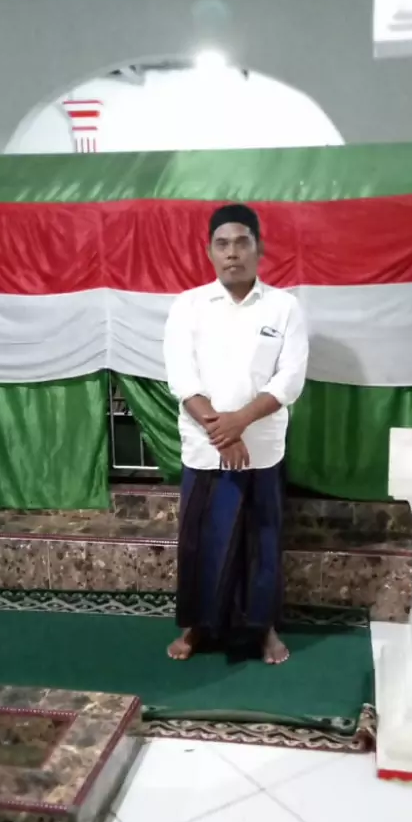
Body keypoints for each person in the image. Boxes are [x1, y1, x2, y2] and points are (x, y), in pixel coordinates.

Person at [163, 202, 308, 665]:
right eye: (222, 244)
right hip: (205, 450)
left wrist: (240, 422)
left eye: (242, 242)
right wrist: (224, 433)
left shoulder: (284, 308)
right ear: (209, 252)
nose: (232, 253)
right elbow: (182, 379)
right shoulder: (187, 306)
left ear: (259, 248)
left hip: (261, 450)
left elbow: (289, 380)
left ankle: (264, 629)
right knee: (201, 542)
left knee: (261, 543)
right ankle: (196, 626)